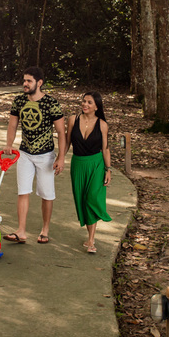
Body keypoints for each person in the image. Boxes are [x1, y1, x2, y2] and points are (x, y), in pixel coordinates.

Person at [3, 66, 65, 244]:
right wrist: (9, 144)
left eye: (29, 81)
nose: (25, 84)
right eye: (24, 80)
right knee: (23, 191)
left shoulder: (51, 103)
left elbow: (61, 132)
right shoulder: (19, 101)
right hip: (24, 153)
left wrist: (61, 157)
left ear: (39, 83)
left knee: (47, 194)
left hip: (46, 155)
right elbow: (13, 125)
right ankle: (21, 231)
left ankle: (45, 230)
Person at [64, 91, 112, 254]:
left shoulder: (102, 125)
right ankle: (89, 237)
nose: (85, 104)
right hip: (78, 163)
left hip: (96, 165)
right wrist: (60, 159)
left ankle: (91, 240)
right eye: (84, 101)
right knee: (82, 199)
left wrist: (108, 170)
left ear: (96, 107)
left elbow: (105, 149)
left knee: (92, 198)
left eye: (89, 102)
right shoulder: (73, 120)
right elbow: (67, 141)